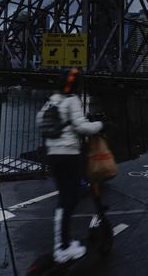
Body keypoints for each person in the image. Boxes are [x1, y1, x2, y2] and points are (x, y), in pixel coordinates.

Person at [37, 68, 103, 263]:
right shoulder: (72, 100)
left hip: (53, 155)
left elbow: (40, 120)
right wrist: (101, 125)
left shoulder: (52, 100)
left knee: (65, 199)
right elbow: (82, 126)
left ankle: (63, 243)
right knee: (70, 199)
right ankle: (63, 248)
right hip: (69, 155)